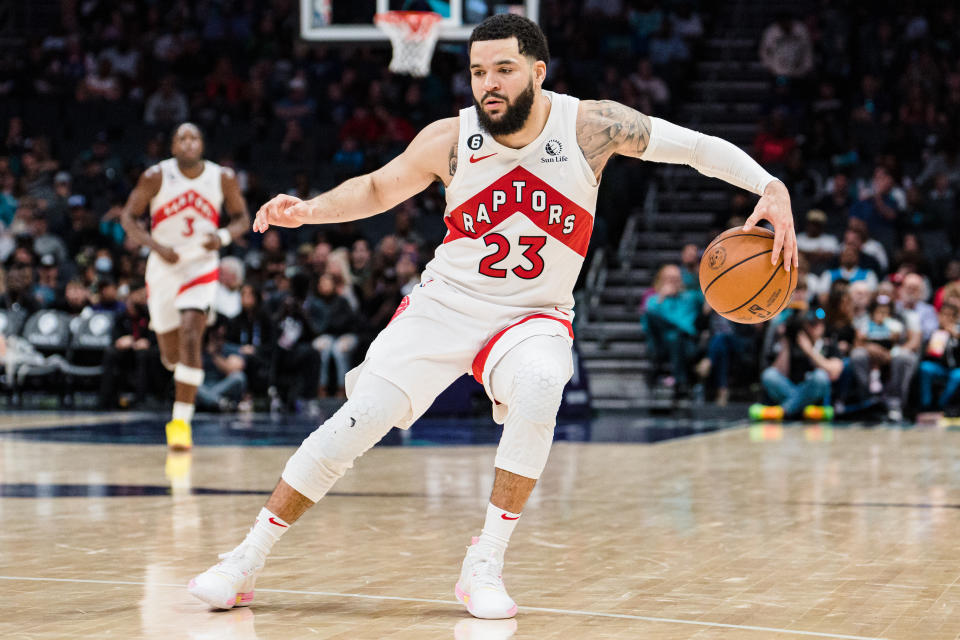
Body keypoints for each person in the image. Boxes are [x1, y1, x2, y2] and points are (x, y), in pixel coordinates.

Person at [188, 14, 797, 619]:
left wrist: (769, 184)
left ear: (537, 70)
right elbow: (377, 189)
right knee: (362, 418)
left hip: (533, 315)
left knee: (540, 381)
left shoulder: (590, 125)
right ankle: (246, 558)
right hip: (445, 305)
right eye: (479, 72)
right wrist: (307, 212)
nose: (489, 84)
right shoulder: (449, 139)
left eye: (503, 69)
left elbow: (692, 147)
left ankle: (485, 561)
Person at [120, 123, 249, 450]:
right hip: (164, 265)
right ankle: (183, 378)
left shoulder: (222, 177)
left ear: (202, 144)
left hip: (201, 265)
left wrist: (220, 237)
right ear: (173, 145)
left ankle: (180, 424)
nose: (189, 142)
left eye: (194, 137)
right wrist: (155, 246)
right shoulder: (156, 176)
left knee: (193, 335)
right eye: (182, 137)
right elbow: (128, 218)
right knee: (171, 355)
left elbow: (241, 219)